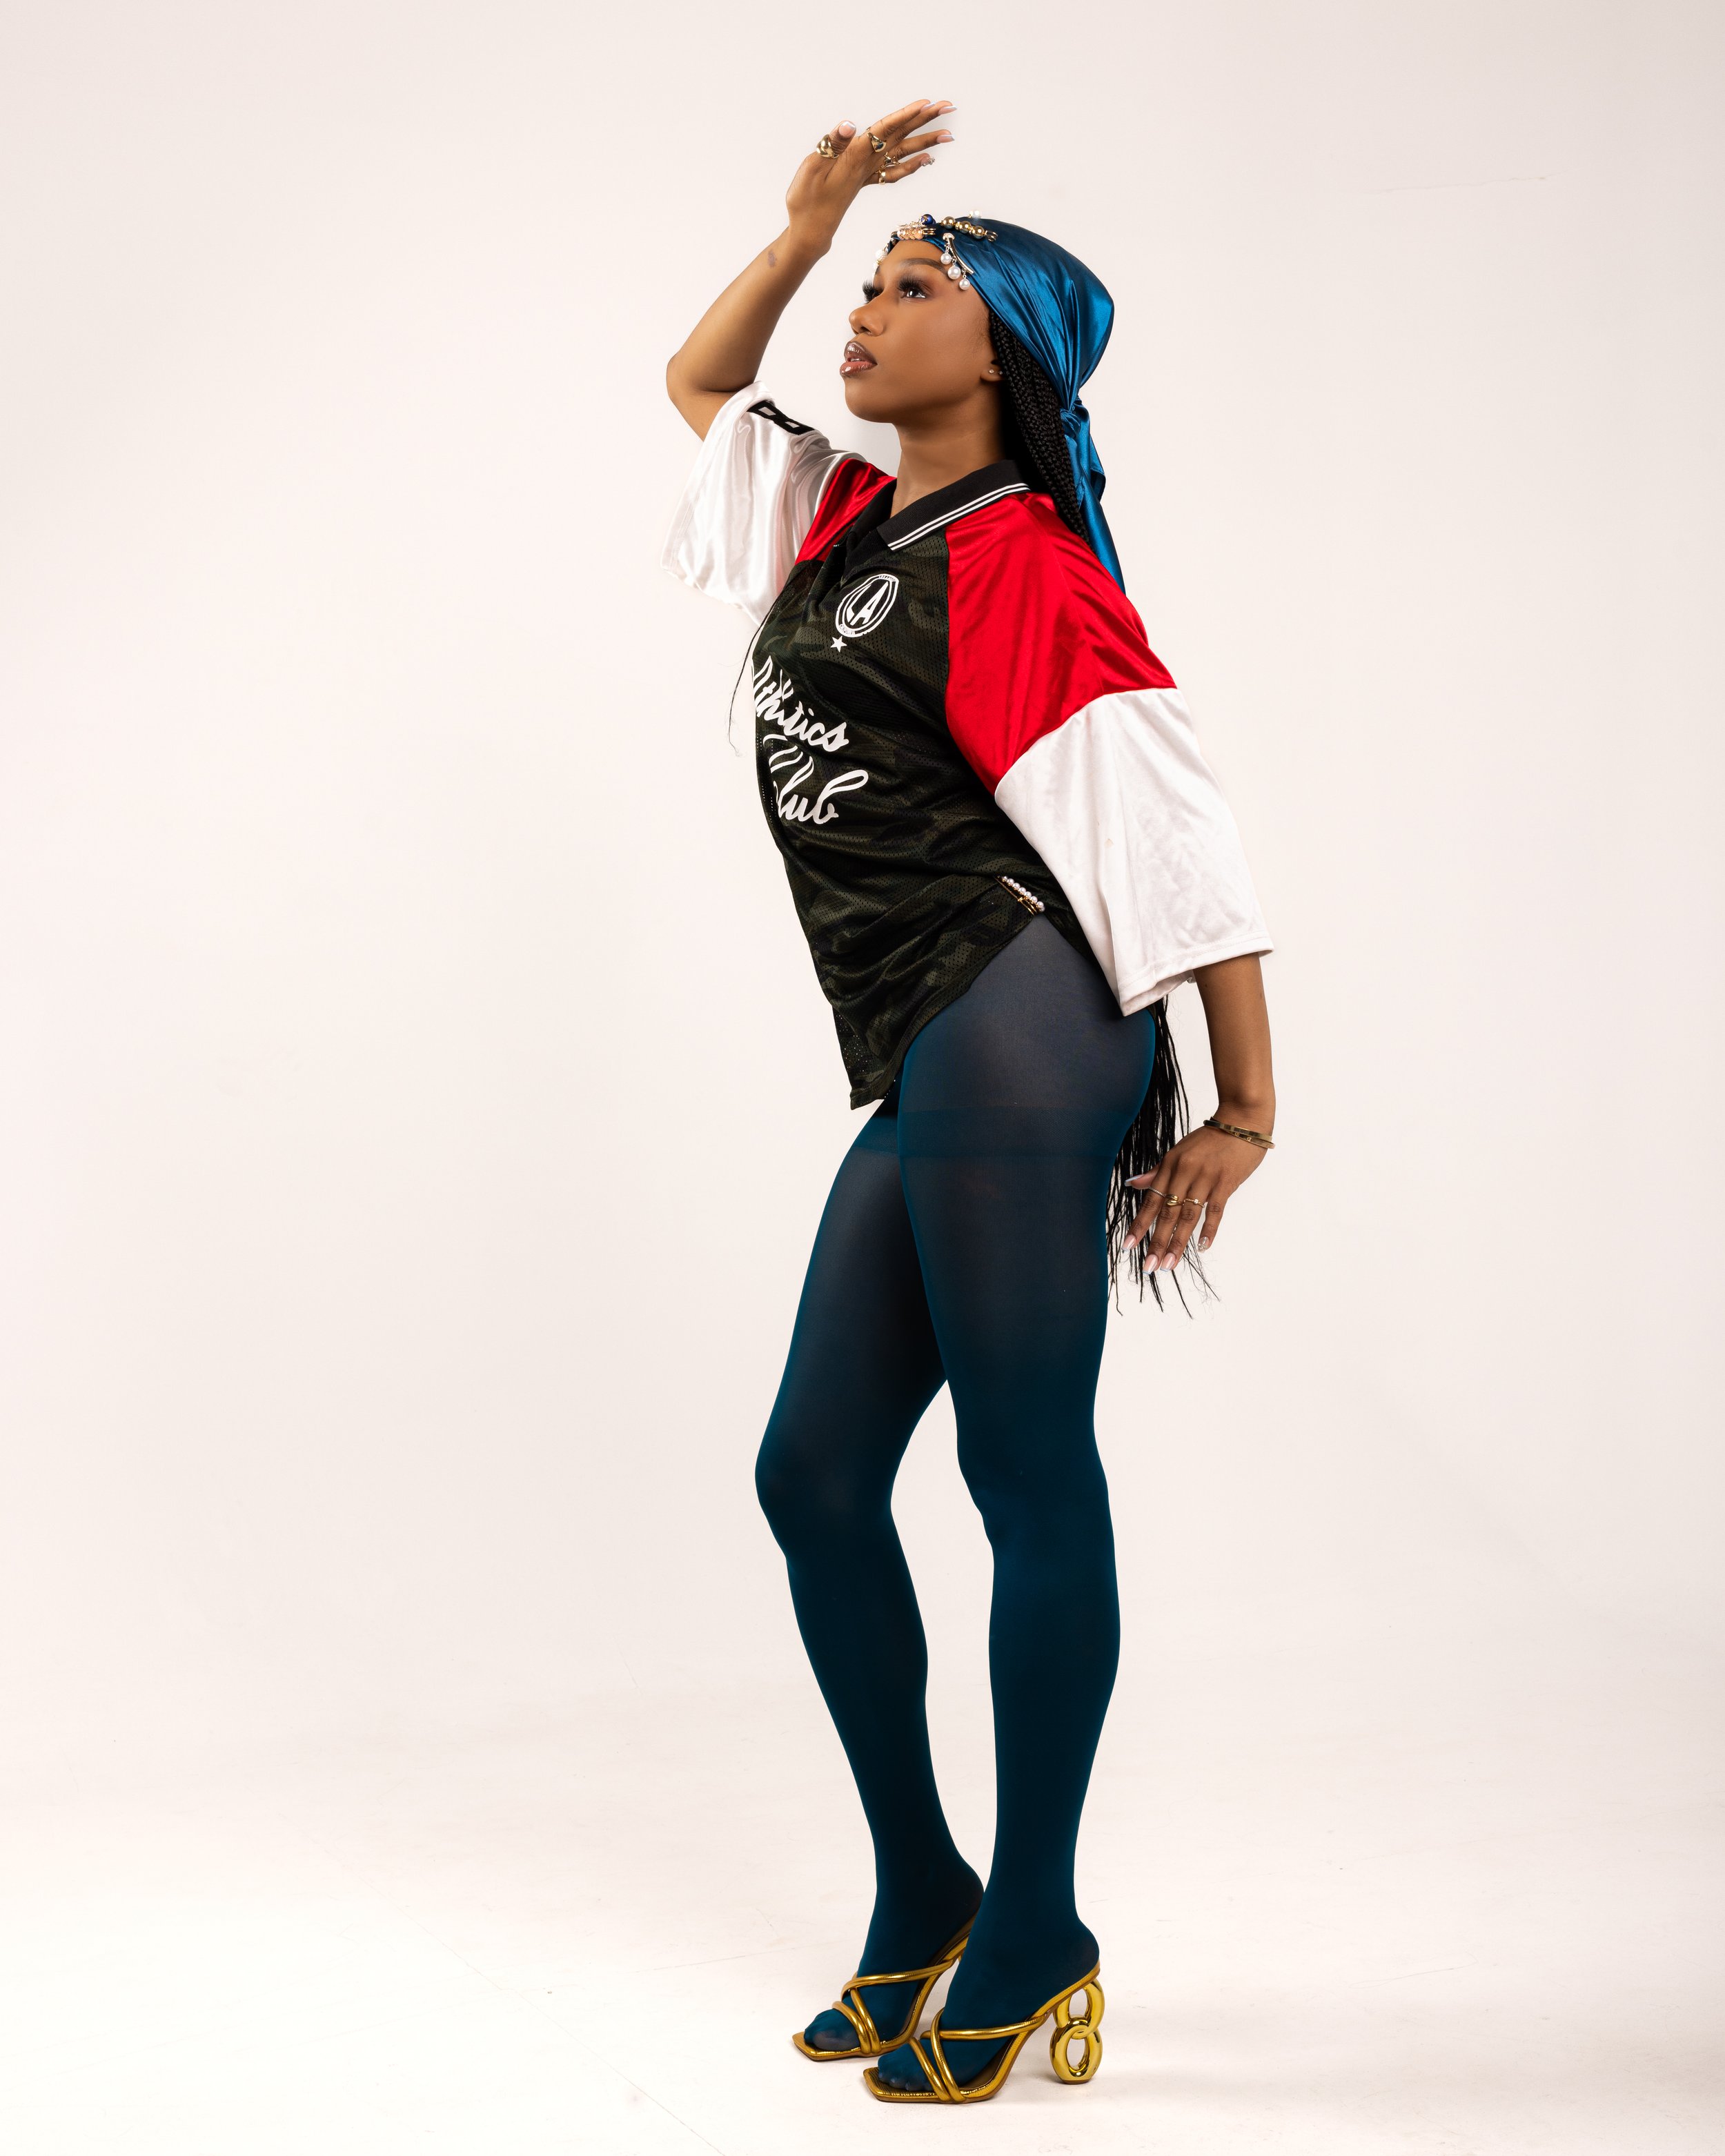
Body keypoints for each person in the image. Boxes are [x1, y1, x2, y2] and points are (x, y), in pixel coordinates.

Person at [661, 99, 1276, 2106]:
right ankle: (923, 1881)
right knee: (813, 1476)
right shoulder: (850, 519)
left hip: (1018, 1016)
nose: (865, 308)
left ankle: (1035, 1922)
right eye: (867, 284)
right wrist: (804, 223)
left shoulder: (1022, 565)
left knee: (1023, 1469)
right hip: (932, 1030)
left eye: (908, 284)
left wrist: (1241, 1109)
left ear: (1000, 353)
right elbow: (697, 387)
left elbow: (1176, 841)